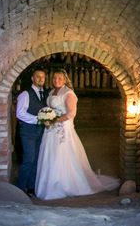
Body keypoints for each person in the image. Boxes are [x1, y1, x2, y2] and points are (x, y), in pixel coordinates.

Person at [35, 69, 120, 200]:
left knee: (61, 155)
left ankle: (63, 185)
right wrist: (47, 117)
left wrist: (53, 120)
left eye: (59, 78)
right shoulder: (52, 92)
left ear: (64, 80)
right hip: (50, 129)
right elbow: (51, 109)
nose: (56, 80)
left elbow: (71, 114)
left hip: (62, 128)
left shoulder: (69, 93)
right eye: (54, 78)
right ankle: (48, 186)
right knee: (50, 155)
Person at [15, 68, 48, 196]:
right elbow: (19, 113)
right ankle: (20, 188)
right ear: (32, 79)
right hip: (28, 132)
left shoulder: (44, 94)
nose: (41, 79)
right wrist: (37, 119)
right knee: (28, 159)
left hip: (39, 132)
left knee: (35, 160)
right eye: (38, 76)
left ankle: (31, 187)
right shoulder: (25, 94)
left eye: (43, 77)